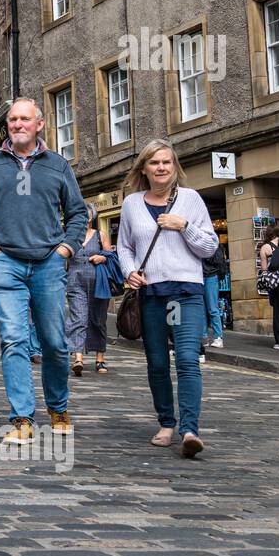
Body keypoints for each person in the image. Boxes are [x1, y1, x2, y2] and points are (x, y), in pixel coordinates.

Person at [0, 98, 88, 445]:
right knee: (14, 339)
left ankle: (58, 407)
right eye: (12, 119)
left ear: (40, 124)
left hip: (49, 262)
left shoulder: (58, 165)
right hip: (6, 262)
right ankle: (22, 417)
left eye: (24, 119)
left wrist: (66, 248)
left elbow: (78, 213)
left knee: (54, 342)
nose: (17, 124)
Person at [117, 140, 219, 458]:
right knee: (158, 364)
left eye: (167, 162)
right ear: (143, 169)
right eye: (154, 163)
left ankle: (190, 430)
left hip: (186, 293)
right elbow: (124, 246)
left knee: (188, 360)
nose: (161, 167)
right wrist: (130, 271)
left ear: (175, 167)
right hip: (152, 294)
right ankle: (166, 423)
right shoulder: (132, 204)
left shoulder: (190, 200)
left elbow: (210, 246)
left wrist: (184, 226)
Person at [65, 204, 111, 376]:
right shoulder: (71, 237)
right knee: (78, 318)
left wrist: (102, 257)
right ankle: (78, 358)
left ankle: (100, 358)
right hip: (75, 282)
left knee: (98, 319)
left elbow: (112, 257)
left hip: (99, 283)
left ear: (91, 218)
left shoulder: (101, 235)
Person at [202, 244, 228, 350]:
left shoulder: (211, 243)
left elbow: (216, 260)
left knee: (213, 308)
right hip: (200, 276)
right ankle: (204, 337)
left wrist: (201, 251)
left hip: (210, 276)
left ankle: (218, 337)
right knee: (202, 310)